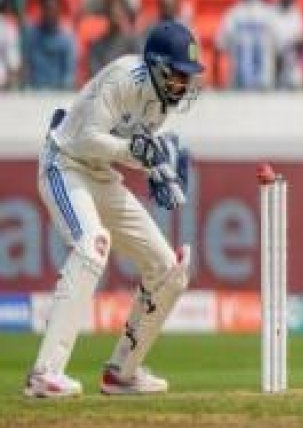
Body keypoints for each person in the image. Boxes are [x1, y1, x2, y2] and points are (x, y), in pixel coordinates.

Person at [24, 21, 205, 398]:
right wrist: (135, 154)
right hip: (64, 164)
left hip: (100, 174)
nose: (182, 85)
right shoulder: (123, 78)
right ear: (156, 66)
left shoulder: (160, 103)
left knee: (168, 269)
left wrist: (157, 165)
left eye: (187, 78)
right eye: (177, 75)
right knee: (92, 245)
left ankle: (122, 372)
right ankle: (45, 373)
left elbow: (132, 148)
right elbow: (87, 140)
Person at [215, 0, 281, 89]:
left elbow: (219, 46)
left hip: (244, 87)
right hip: (260, 87)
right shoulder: (269, 13)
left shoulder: (234, 14)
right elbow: (279, 49)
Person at [23, 0, 77, 90]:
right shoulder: (31, 36)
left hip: (58, 95)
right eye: (47, 9)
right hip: (32, 94)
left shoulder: (67, 40)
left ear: (59, 10)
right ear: (42, 9)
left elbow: (69, 74)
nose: (50, 13)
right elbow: (26, 68)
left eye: (53, 9)